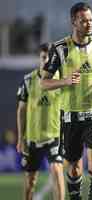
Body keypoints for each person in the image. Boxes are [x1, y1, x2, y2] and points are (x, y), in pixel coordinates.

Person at [40, 2, 92, 200]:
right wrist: (65, 81)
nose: (89, 24)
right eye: (84, 21)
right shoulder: (60, 48)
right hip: (70, 117)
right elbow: (44, 83)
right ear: (74, 21)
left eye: (91, 20)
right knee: (74, 169)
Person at [16, 43, 65, 200]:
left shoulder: (60, 79)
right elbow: (21, 111)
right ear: (39, 58)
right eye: (43, 57)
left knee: (57, 170)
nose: (46, 61)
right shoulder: (29, 80)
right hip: (33, 138)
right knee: (30, 181)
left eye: (49, 58)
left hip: (54, 136)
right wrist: (20, 138)